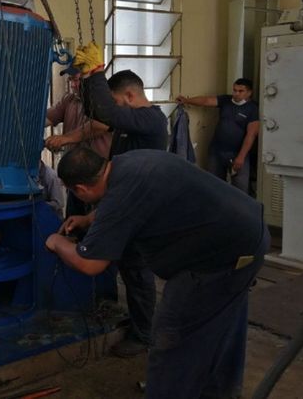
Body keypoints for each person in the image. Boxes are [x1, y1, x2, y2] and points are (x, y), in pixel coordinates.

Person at [46, 147, 269, 399]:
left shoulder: (120, 196)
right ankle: (221, 392)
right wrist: (89, 220)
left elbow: (91, 264)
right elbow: (128, 201)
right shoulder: (130, 162)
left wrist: (57, 242)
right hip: (249, 232)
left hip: (219, 258)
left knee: (171, 339)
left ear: (81, 190)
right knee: (224, 325)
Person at [71, 43, 169, 358]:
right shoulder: (131, 123)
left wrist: (98, 72)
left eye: (117, 101)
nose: (115, 109)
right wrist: (86, 78)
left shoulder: (152, 120)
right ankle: (140, 321)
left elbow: (107, 111)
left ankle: (144, 336)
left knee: (138, 274)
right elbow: (97, 111)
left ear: (129, 96)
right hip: (126, 204)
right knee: (127, 268)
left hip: (142, 211)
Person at [45, 68, 112, 217]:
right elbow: (47, 118)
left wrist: (65, 138)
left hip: (96, 180)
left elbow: (101, 125)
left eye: (77, 80)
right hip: (75, 178)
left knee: (97, 221)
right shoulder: (70, 100)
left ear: (89, 78)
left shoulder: (104, 100)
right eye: (71, 80)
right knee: (74, 221)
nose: (73, 85)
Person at [176, 78, 259, 193]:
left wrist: (241, 157)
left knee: (240, 190)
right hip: (217, 152)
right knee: (214, 186)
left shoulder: (252, 109)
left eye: (241, 91)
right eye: (234, 90)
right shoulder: (226, 100)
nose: (236, 94)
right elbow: (206, 101)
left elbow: (251, 134)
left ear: (249, 93)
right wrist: (187, 100)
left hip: (238, 154)